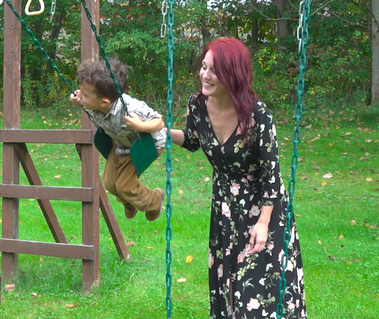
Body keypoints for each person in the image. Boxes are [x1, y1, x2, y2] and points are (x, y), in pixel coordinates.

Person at [170, 38, 306, 318]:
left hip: (263, 209)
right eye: (203, 68)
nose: (205, 76)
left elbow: (272, 176)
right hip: (224, 209)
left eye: (214, 71)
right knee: (228, 288)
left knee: (258, 295)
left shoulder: (256, 114)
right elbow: (193, 140)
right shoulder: (197, 104)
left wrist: (264, 223)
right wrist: (159, 131)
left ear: (233, 75)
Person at [69, 58, 166, 221]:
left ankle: (155, 200)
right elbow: (86, 101)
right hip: (120, 144)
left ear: (104, 101)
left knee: (125, 186)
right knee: (110, 183)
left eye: (84, 94)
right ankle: (128, 201)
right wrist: (79, 100)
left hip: (146, 144)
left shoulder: (131, 108)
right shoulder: (95, 103)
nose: (80, 96)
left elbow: (159, 122)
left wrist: (141, 126)